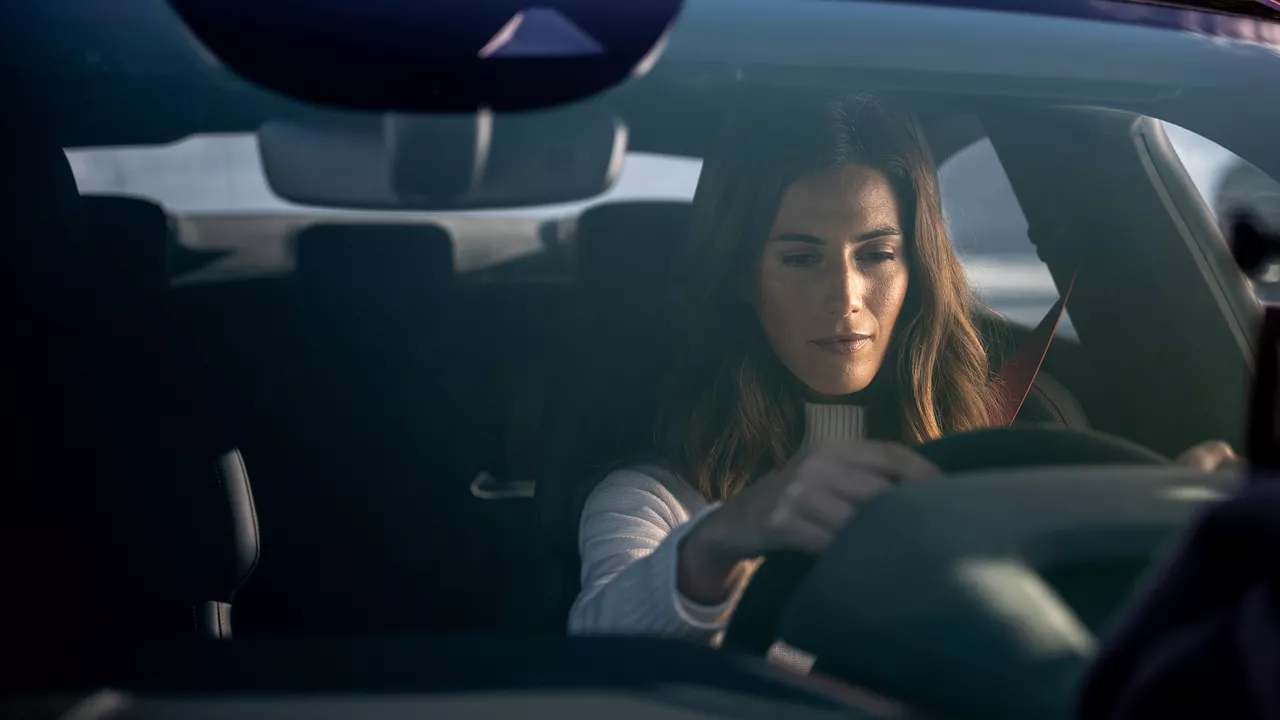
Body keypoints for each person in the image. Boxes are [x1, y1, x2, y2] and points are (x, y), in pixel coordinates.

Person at [567, 93, 1238, 645]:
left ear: (915, 269)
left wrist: (1167, 539)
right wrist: (722, 540)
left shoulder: (1016, 454)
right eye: (802, 259)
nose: (847, 298)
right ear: (742, 278)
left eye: (878, 254)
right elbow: (599, 655)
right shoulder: (656, 499)